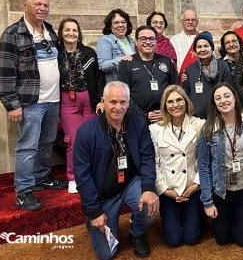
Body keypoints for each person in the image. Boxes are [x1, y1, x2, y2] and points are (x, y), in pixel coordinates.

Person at [0, 0, 67, 211]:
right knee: (28, 146)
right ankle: (24, 191)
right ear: (25, 5)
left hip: (53, 100)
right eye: (37, 4)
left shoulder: (50, 32)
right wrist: (12, 104)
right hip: (30, 102)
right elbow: (4, 72)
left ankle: (42, 177)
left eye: (45, 5)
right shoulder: (13, 33)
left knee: (46, 142)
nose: (42, 8)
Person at [74, 81, 159, 259]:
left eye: (123, 102)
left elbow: (147, 156)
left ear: (129, 103)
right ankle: (92, 219)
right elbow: (82, 176)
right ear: (103, 102)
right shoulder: (85, 132)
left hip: (129, 183)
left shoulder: (138, 123)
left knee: (150, 206)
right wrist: (94, 211)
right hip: (103, 194)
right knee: (107, 254)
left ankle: (136, 233)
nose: (118, 107)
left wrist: (149, 188)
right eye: (113, 102)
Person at [198, 82, 243, 247]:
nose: (223, 100)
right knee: (222, 238)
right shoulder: (208, 128)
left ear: (234, 98)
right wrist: (208, 202)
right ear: (215, 104)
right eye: (218, 98)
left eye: (226, 96)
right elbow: (203, 167)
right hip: (221, 192)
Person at [150, 85, 204, 247]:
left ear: (186, 102)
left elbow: (204, 159)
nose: (176, 105)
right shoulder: (155, 129)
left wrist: (196, 184)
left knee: (191, 238)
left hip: (191, 187)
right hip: (169, 190)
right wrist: (164, 190)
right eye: (170, 101)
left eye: (179, 100)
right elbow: (155, 163)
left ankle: (196, 214)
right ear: (165, 106)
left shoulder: (198, 125)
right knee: (173, 241)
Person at [57, 18, 105, 194]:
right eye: (67, 30)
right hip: (68, 103)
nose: (71, 33)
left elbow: (99, 77)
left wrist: (100, 99)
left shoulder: (89, 52)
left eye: (74, 30)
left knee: (92, 139)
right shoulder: (56, 53)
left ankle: (92, 173)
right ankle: (73, 177)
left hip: (90, 101)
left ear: (79, 33)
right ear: (61, 33)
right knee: (74, 140)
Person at [118, 25, 178, 124]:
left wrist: (166, 111)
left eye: (151, 39)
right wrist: (143, 115)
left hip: (165, 118)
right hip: (136, 119)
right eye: (143, 39)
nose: (148, 42)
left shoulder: (166, 61)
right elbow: (124, 95)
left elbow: (175, 88)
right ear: (136, 42)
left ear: (156, 41)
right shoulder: (127, 64)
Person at [183, 31, 233, 119]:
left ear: (212, 48)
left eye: (206, 46)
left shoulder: (222, 66)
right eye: (199, 47)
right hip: (195, 119)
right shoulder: (190, 69)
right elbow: (185, 94)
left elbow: (230, 91)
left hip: (219, 117)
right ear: (195, 50)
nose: (203, 50)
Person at [96, 9, 135, 82]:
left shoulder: (131, 40)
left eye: (123, 22)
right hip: (116, 85)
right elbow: (102, 65)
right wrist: (120, 60)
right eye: (116, 22)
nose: (120, 25)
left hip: (131, 82)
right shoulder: (105, 41)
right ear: (110, 25)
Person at [169, 9, 199, 77]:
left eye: (193, 20)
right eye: (187, 20)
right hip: (180, 80)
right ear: (182, 22)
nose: (190, 22)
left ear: (197, 22)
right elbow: (171, 62)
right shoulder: (174, 40)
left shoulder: (204, 39)